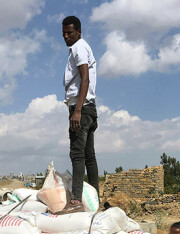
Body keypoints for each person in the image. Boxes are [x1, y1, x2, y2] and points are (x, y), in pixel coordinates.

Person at [59, 15, 98, 214]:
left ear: (79, 32)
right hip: (90, 107)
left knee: (77, 154)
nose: (66, 36)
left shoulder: (79, 47)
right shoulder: (81, 47)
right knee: (89, 156)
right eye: (64, 33)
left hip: (81, 108)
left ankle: (75, 201)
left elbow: (85, 78)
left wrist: (77, 110)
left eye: (70, 32)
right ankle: (94, 199)